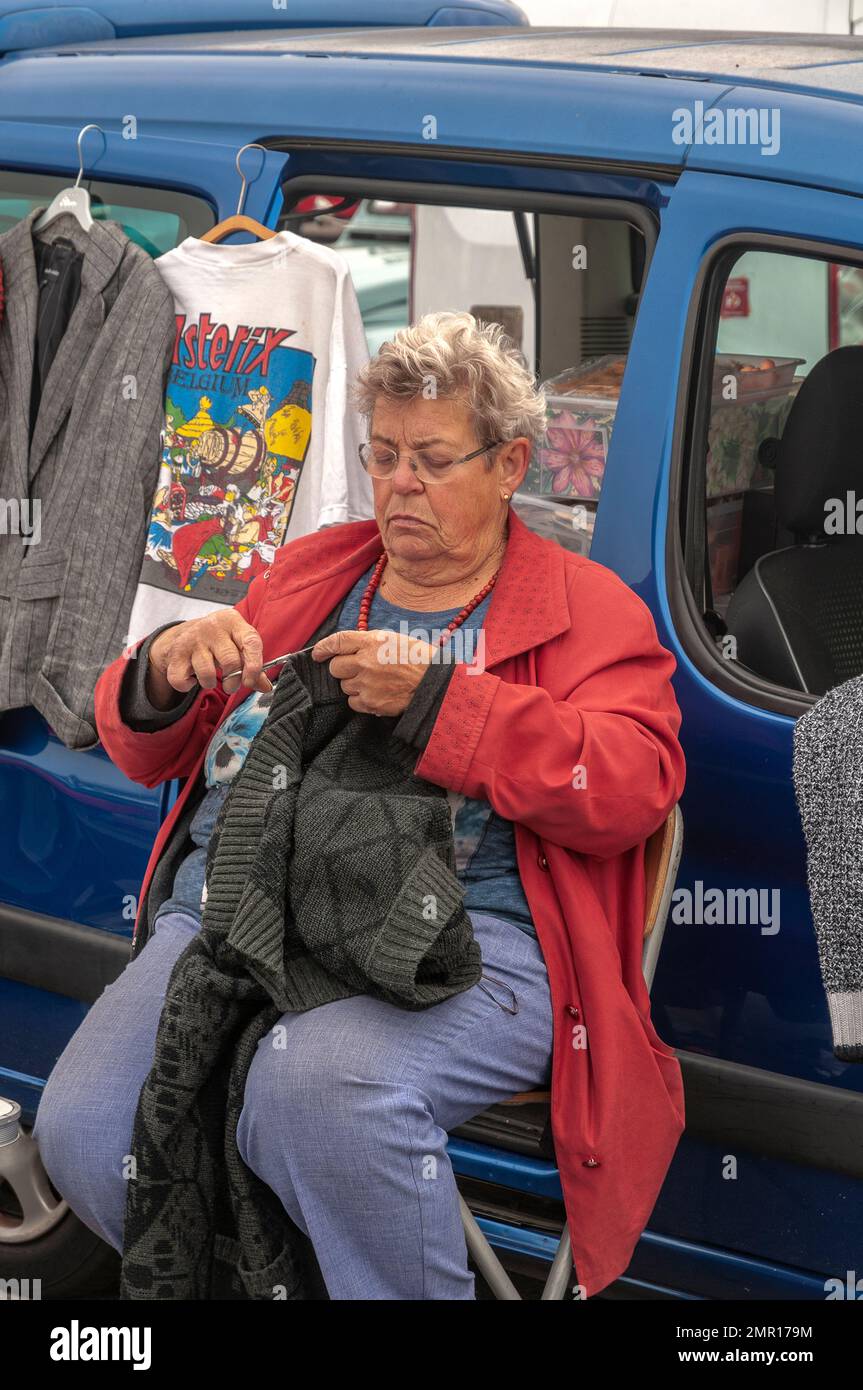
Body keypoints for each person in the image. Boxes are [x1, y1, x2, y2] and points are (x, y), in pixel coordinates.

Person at [33, 311, 686, 1300]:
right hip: (239, 916)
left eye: (429, 458)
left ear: (510, 464)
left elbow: (632, 787)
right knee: (81, 1128)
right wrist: (162, 671)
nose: (397, 484)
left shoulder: (589, 612)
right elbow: (148, 743)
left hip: (469, 940)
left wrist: (440, 700)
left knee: (318, 1092)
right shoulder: (313, 572)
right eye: (380, 455)